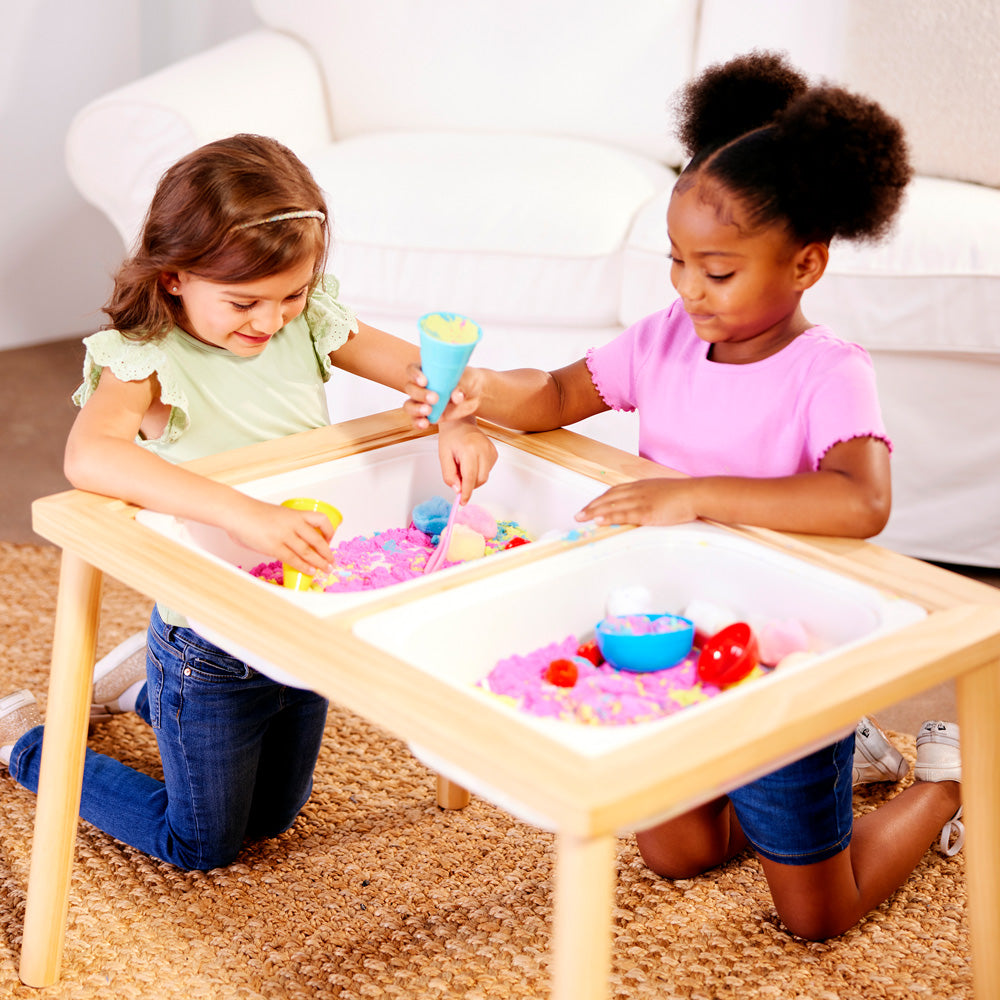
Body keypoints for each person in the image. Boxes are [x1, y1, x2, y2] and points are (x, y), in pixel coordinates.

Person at [402, 52, 963, 940]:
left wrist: (691, 494)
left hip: (787, 652)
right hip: (674, 632)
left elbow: (860, 503)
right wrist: (478, 390)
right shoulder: (665, 337)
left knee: (818, 915)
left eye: (719, 270)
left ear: (807, 263)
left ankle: (942, 783)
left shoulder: (829, 372)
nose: (688, 290)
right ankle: (837, 772)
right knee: (673, 850)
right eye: (678, 263)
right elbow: (551, 395)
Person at [0, 133, 495, 871]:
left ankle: (140, 694)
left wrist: (456, 416)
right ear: (173, 277)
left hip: (297, 616)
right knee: (201, 843)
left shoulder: (308, 320)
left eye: (291, 294)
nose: (270, 321)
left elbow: (422, 374)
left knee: (276, 816)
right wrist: (239, 511)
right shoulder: (148, 354)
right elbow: (89, 455)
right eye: (244, 302)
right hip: (210, 639)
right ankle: (32, 742)